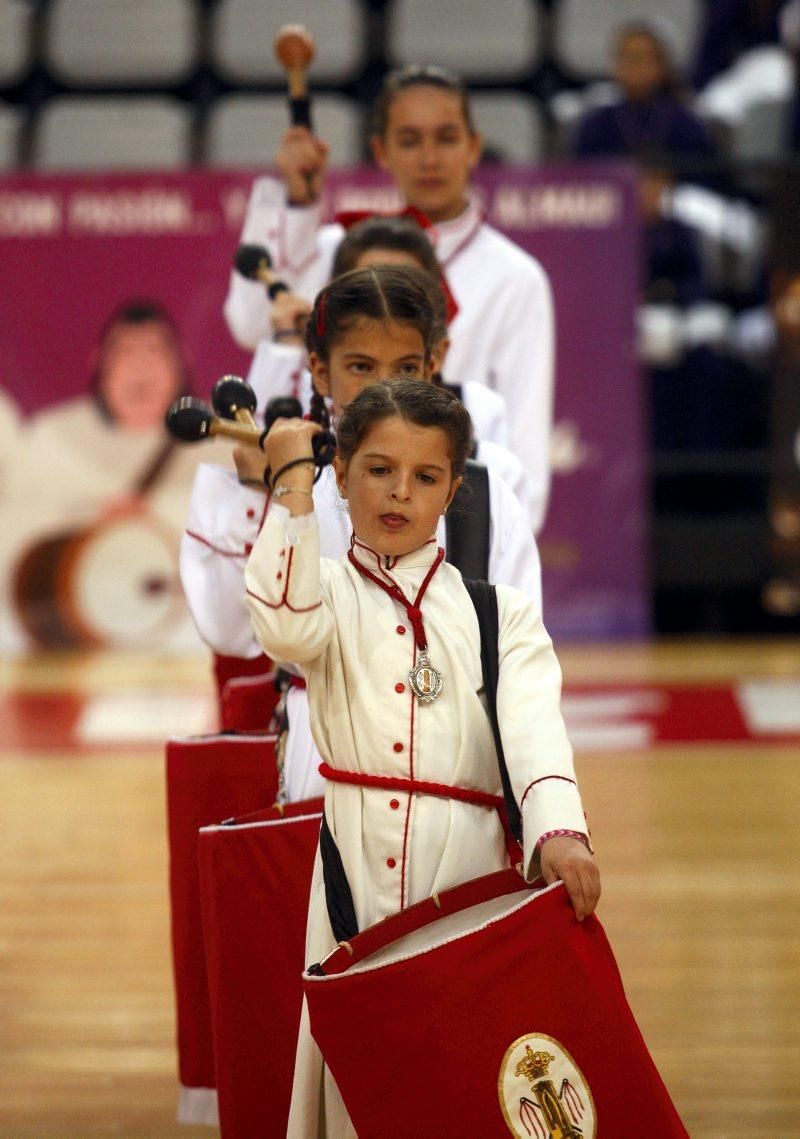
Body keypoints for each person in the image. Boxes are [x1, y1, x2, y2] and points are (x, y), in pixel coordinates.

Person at [245, 378, 599, 1137]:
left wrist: (560, 829)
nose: (399, 492)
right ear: (339, 472)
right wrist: (290, 489)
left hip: (469, 886)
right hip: (354, 877)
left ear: (453, 491)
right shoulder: (327, 592)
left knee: (461, 1075)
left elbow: (537, 728)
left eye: (426, 476)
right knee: (360, 1083)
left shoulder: (500, 613)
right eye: (377, 469)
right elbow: (283, 625)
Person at [181, 266, 542, 800]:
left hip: (459, 753)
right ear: (319, 373)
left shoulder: (485, 495)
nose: (386, 386)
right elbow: (230, 632)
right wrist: (266, 494)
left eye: (405, 366)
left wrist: (540, 803)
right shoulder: (284, 483)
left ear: (433, 366)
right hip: (324, 753)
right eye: (361, 367)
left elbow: (519, 660)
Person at [223, 64, 555, 532]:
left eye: (445, 137)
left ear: (473, 146)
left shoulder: (515, 277)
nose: (429, 158)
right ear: (381, 151)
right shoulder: (347, 249)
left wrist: (489, 561)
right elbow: (250, 320)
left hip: (451, 524)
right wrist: (295, 204)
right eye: (409, 140)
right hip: (336, 512)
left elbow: (524, 451)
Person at [0, 299, 231, 652]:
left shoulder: (220, 439)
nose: (140, 367)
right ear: (99, 362)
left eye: (153, 352)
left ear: (180, 361)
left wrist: (155, 519)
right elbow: (19, 535)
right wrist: (91, 522)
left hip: (186, 648)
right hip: (77, 649)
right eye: (125, 353)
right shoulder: (54, 438)